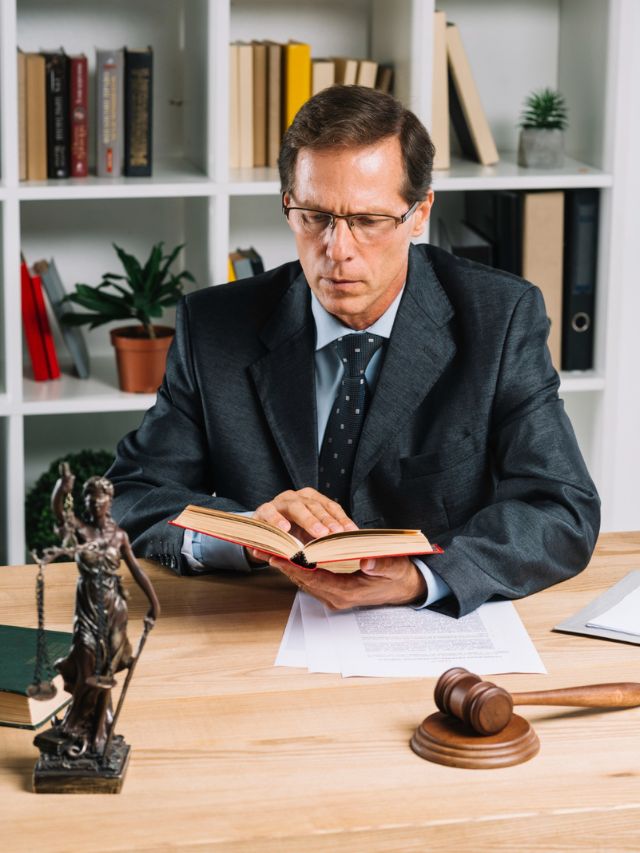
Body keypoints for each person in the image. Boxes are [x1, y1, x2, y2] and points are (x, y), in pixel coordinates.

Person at [108, 85, 600, 618]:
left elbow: (561, 509)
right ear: (287, 208)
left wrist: (421, 578)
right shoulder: (212, 326)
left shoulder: (500, 319)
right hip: (255, 623)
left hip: (432, 629)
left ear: (419, 214)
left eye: (368, 221)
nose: (336, 251)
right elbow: (129, 494)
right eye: (314, 216)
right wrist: (249, 532)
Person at [51, 467, 160, 754]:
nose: (96, 506)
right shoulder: (82, 530)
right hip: (87, 607)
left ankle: (100, 726)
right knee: (87, 666)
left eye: (100, 501)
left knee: (106, 670)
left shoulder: (119, 536)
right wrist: (63, 488)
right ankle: (76, 723)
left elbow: (137, 571)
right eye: (90, 501)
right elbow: (60, 513)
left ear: (109, 502)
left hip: (114, 608)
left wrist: (154, 604)